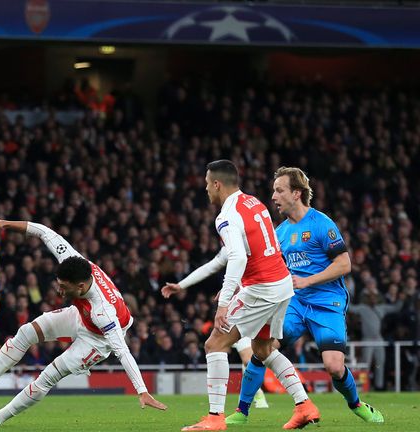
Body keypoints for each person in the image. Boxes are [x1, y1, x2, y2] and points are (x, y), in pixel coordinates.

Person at [0, 218, 167, 428]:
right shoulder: (72, 260)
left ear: (81, 287)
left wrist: (142, 390)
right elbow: (45, 232)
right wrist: (5, 224)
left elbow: (123, 352)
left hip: (98, 340)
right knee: (27, 331)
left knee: (48, 375)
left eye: (64, 287)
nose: (59, 290)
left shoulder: (104, 312)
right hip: (82, 316)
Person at [161, 160, 320, 431]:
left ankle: (214, 417)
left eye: (207, 185)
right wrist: (183, 284)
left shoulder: (226, 216)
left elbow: (235, 258)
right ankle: (304, 405)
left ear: (217, 184)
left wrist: (224, 304)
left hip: (261, 288)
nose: (206, 190)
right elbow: (223, 257)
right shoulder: (253, 203)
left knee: (215, 345)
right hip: (281, 285)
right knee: (263, 348)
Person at [226, 166, 384, 424]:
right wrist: (238, 287)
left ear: (296, 193)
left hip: (327, 303)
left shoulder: (322, 224)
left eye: (279, 190)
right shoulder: (280, 233)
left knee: (333, 366)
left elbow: (344, 264)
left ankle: (356, 404)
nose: (274, 197)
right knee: (264, 347)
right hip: (295, 303)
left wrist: (307, 280)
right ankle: (242, 412)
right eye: (273, 191)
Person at [233, 337, 269, 408]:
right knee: (212, 348)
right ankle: (215, 408)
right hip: (228, 328)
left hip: (246, 330)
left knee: (248, 360)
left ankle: (255, 393)